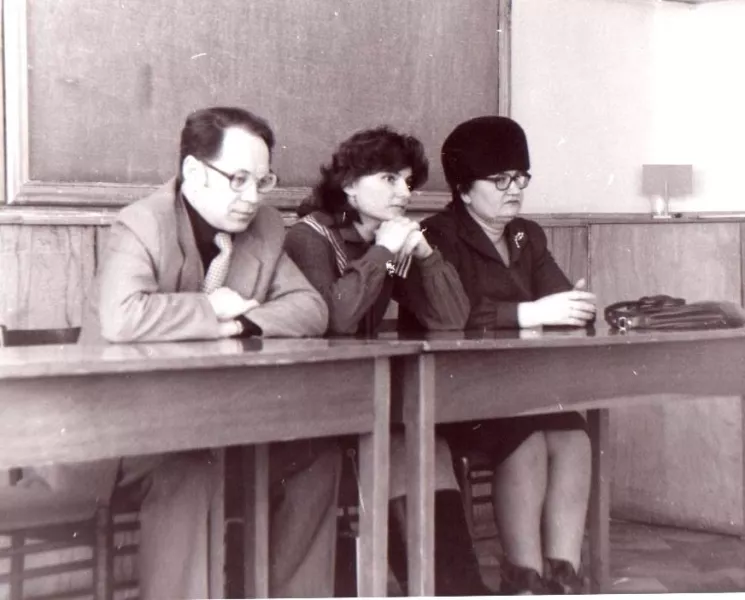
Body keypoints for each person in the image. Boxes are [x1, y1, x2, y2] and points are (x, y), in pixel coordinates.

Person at [28, 106, 339, 598]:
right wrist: (211, 308)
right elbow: (123, 317)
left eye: (262, 181)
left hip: (215, 426)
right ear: (194, 171)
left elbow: (310, 309)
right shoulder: (142, 223)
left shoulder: (264, 228)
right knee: (192, 469)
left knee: (317, 459)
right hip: (113, 438)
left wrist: (239, 323)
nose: (252, 197)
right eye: (238, 179)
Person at [284, 126, 493, 596]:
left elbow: (450, 320)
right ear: (349, 185)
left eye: (407, 182)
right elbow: (335, 319)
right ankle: (446, 589)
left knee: (420, 442)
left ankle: (453, 589)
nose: (404, 192)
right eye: (389, 179)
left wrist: (425, 253)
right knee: (402, 441)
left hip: (367, 397)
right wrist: (383, 252)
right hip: (311, 404)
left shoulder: (390, 237)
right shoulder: (308, 236)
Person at [403, 116, 597, 594]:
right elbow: (448, 315)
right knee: (524, 439)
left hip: (519, 388)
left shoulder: (526, 235)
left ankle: (563, 575)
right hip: (454, 392)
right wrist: (531, 312)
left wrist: (575, 305)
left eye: (520, 179)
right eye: (500, 180)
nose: (515, 191)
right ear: (464, 190)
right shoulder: (436, 235)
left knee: (573, 435)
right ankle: (523, 576)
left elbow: (558, 297)